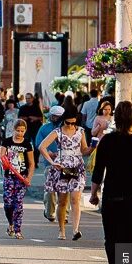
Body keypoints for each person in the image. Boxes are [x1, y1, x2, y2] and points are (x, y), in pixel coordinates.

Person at [90, 101, 132, 264]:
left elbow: (99, 170)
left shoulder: (107, 141)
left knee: (112, 240)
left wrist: (93, 193)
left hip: (114, 198)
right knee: (131, 241)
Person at [39, 103, 91, 241]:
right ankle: (61, 230)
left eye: (73, 123)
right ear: (63, 120)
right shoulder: (57, 132)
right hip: (62, 168)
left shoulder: (81, 131)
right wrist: (52, 162)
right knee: (62, 201)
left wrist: (92, 148)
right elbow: (41, 146)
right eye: (68, 122)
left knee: (75, 199)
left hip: (77, 168)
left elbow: (84, 150)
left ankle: (75, 230)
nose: (70, 125)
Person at [0, 118, 34, 239]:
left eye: (22, 131)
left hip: (22, 177)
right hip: (9, 176)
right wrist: (4, 162)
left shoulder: (27, 144)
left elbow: (31, 163)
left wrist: (28, 177)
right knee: (8, 203)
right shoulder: (7, 142)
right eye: (18, 130)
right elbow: (1, 157)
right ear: (13, 130)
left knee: (18, 203)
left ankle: (17, 229)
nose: (20, 133)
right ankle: (10, 223)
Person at [34, 105, 64, 222]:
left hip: (64, 163)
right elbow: (38, 144)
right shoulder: (44, 128)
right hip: (49, 163)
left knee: (64, 189)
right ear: (50, 116)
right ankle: (50, 212)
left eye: (58, 117)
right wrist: (49, 153)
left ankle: (64, 215)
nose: (56, 118)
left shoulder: (67, 129)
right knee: (50, 190)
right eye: (54, 116)